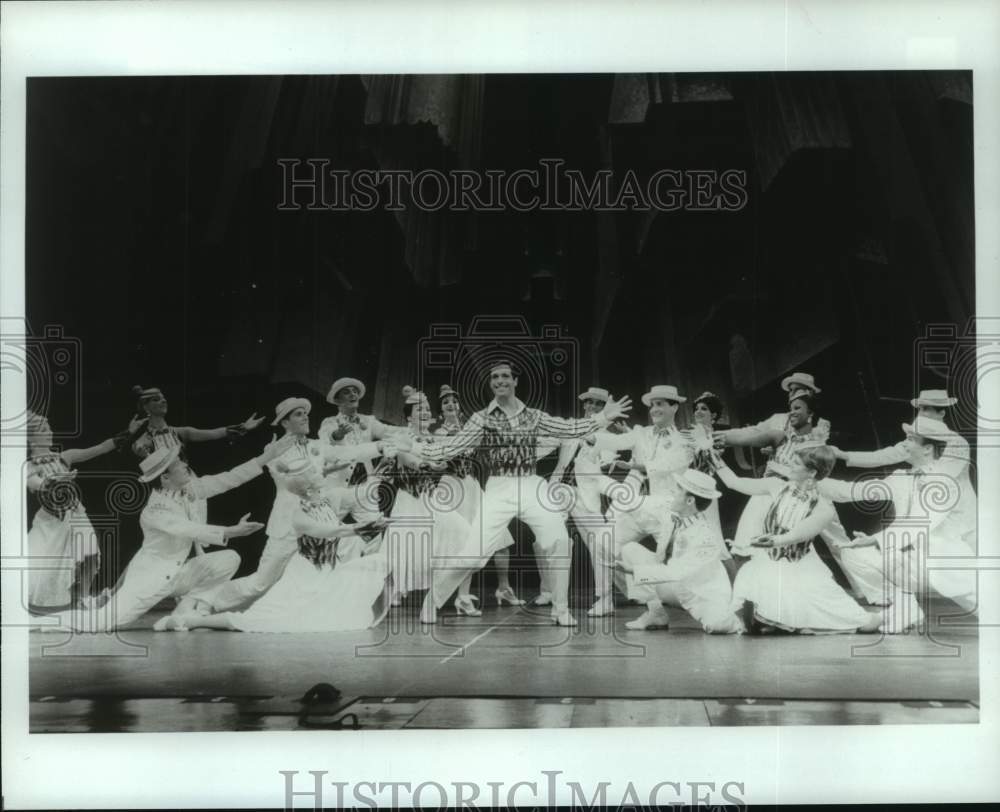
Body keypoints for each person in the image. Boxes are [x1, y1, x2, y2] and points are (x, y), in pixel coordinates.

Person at [412, 361, 632, 626]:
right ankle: (432, 601)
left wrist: (604, 417)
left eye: (505, 376)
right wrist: (417, 449)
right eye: (494, 377)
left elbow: (569, 429)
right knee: (473, 554)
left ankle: (560, 609)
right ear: (491, 383)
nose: (500, 380)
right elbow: (450, 449)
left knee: (559, 542)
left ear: (515, 381)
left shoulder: (535, 416)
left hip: (530, 484)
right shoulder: (481, 418)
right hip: (499, 487)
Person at [47, 434, 296, 633]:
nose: (186, 466)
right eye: (180, 465)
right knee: (103, 623)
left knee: (229, 558)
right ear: (165, 478)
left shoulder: (189, 490)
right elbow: (189, 529)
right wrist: (231, 530)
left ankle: (184, 612)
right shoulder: (155, 509)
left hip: (179, 575)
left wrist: (265, 458)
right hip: (151, 580)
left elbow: (229, 478)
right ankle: (42, 623)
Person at [157, 457, 392, 633]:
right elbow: (327, 531)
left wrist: (380, 474)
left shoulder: (326, 501)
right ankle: (192, 618)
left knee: (378, 563)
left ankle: (199, 609)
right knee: (261, 618)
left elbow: (351, 499)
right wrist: (357, 529)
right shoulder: (299, 514)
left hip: (325, 572)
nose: (322, 477)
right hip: (304, 577)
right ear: (308, 487)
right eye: (316, 475)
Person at [207, 397, 395, 613]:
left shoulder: (316, 446)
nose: (305, 416)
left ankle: (332, 610)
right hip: (288, 522)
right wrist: (323, 471)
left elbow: (347, 453)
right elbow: (293, 479)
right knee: (262, 582)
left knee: (336, 561)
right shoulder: (274, 449)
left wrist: (380, 446)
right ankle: (208, 600)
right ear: (285, 423)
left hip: (317, 520)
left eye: (305, 413)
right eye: (298, 414)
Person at [819, 416, 977, 627]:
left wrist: (874, 540)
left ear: (928, 449)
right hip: (914, 563)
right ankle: (906, 609)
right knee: (854, 554)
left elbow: (918, 524)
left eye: (911, 439)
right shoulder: (901, 476)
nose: (904, 444)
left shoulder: (945, 482)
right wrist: (809, 479)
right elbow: (852, 491)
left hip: (948, 565)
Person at [713, 445, 884, 634]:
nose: (790, 466)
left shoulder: (822, 509)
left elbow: (796, 535)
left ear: (811, 472)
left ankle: (887, 615)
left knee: (865, 623)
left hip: (800, 569)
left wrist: (771, 541)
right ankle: (776, 619)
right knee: (752, 581)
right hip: (768, 564)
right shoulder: (776, 486)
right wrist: (712, 456)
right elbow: (734, 482)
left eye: (796, 463)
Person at [582, 384, 700, 600]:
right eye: (653, 405)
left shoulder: (685, 440)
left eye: (660, 404)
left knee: (674, 561)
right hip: (642, 506)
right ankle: (610, 600)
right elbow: (615, 441)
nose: (654, 409)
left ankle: (696, 604)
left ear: (675, 407)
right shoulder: (641, 433)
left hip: (671, 509)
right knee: (601, 542)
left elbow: (668, 464)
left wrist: (633, 466)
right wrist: (597, 427)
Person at [25, 411, 145, 608]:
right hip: (51, 522)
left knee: (89, 553)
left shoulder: (64, 458)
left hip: (76, 514)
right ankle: (40, 603)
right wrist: (51, 482)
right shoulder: (29, 466)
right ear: (31, 436)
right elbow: (34, 482)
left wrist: (129, 432)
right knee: (42, 564)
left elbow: (100, 448)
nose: (50, 432)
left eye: (49, 428)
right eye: (44, 429)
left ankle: (83, 599)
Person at [382, 388, 477, 611]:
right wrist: (427, 464)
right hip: (408, 499)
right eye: (419, 409)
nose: (424, 412)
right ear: (408, 416)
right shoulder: (401, 436)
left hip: (430, 498)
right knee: (401, 547)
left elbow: (450, 455)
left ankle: (459, 595)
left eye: (426, 409)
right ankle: (395, 588)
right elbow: (405, 458)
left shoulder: (433, 438)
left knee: (464, 533)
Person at [614, 469, 741, 633]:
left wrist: (633, 570)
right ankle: (656, 614)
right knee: (630, 549)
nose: (673, 491)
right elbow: (641, 502)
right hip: (673, 588)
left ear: (689, 500)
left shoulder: (706, 537)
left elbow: (677, 572)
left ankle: (743, 619)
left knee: (718, 625)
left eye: (679, 489)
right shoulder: (672, 513)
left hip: (698, 596)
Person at [433, 384, 523, 612]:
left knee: (502, 540)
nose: (451, 404)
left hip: (472, 486)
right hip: (452, 487)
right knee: (465, 543)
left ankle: (504, 587)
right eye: (445, 402)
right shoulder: (438, 433)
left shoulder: (471, 427)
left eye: (454, 400)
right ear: (441, 410)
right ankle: (461, 596)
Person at [715, 386, 835, 554]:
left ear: (811, 413)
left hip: (801, 497)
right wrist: (715, 437)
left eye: (797, 408)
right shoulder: (779, 433)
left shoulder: (818, 441)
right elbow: (748, 436)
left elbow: (820, 467)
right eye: (791, 407)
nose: (791, 412)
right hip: (769, 492)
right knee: (751, 543)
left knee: (824, 539)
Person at [547, 386, 627, 617]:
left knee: (600, 544)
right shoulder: (572, 426)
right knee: (549, 538)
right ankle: (549, 592)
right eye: (589, 403)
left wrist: (596, 444)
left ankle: (607, 597)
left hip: (585, 495)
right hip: (559, 489)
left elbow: (605, 465)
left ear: (606, 409)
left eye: (598, 404)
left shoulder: (610, 437)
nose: (591, 407)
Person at [317, 377, 397, 523]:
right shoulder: (329, 422)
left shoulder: (368, 421)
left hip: (363, 488)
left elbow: (389, 431)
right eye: (347, 392)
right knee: (324, 531)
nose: (353, 394)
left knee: (373, 530)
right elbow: (326, 443)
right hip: (336, 487)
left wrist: (414, 430)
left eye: (355, 391)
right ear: (338, 400)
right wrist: (338, 435)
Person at [128, 384, 265, 460]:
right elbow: (139, 452)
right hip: (164, 489)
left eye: (163, 398)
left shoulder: (181, 432)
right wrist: (138, 447)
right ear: (146, 407)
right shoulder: (143, 439)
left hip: (188, 483)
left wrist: (243, 427)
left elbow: (213, 433)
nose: (163, 401)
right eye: (156, 399)